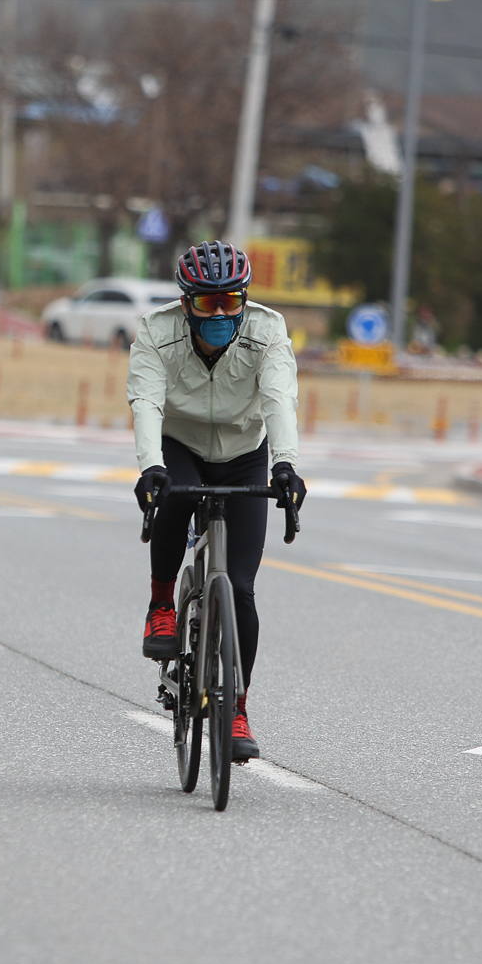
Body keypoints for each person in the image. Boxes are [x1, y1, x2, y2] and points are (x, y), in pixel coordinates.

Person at [127, 240, 306, 763]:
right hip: (180, 445)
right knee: (171, 498)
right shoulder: (156, 331)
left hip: (245, 451)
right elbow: (146, 400)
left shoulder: (268, 330)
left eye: (232, 301)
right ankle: (162, 606)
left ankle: (237, 707)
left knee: (242, 589)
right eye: (208, 303)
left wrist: (286, 465)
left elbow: (279, 398)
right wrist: (150, 467)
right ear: (186, 304)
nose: (221, 314)